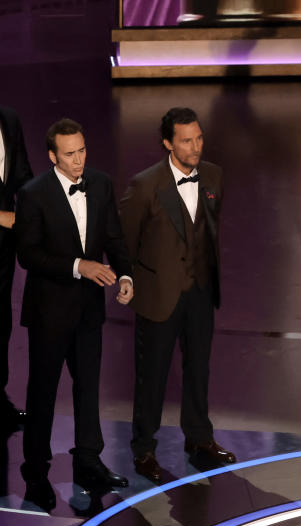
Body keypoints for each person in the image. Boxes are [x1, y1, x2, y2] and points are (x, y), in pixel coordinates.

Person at [15, 118, 133, 494]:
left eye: (82, 150)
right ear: (53, 156)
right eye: (70, 154)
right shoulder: (34, 193)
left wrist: (127, 276)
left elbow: (114, 237)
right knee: (43, 391)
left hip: (87, 311)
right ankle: (35, 469)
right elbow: (28, 254)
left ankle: (88, 461)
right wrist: (79, 265)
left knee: (88, 388)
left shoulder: (100, 184)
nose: (79, 160)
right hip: (49, 312)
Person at [120, 107, 236, 482]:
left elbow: (208, 230)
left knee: (198, 368)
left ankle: (199, 439)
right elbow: (124, 239)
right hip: (159, 295)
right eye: (187, 140)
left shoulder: (214, 175)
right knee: (151, 376)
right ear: (168, 143)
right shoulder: (145, 185)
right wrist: (131, 279)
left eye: (199, 137)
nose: (196, 146)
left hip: (200, 290)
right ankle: (144, 450)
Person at [0, 105, 33, 433]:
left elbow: (23, 177)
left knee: (1, 321)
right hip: (3, 225)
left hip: (4, 247)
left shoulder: (9, 120)